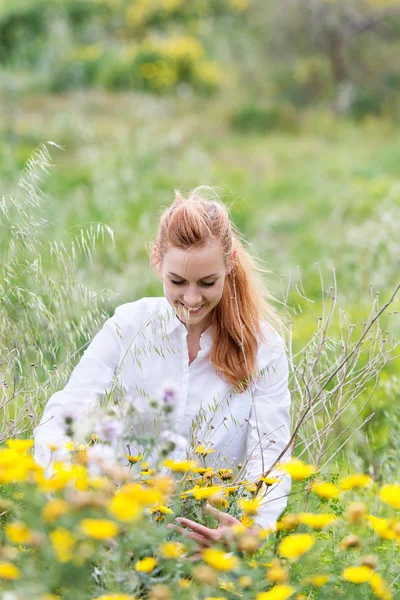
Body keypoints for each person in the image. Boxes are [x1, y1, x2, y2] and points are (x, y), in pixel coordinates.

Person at [33, 187, 292, 549]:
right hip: (120, 537)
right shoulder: (129, 325)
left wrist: (251, 529)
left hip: (207, 547)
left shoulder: (263, 347)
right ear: (157, 261)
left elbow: (271, 453)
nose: (190, 299)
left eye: (207, 283)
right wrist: (70, 495)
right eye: (177, 282)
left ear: (229, 263)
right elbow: (63, 415)